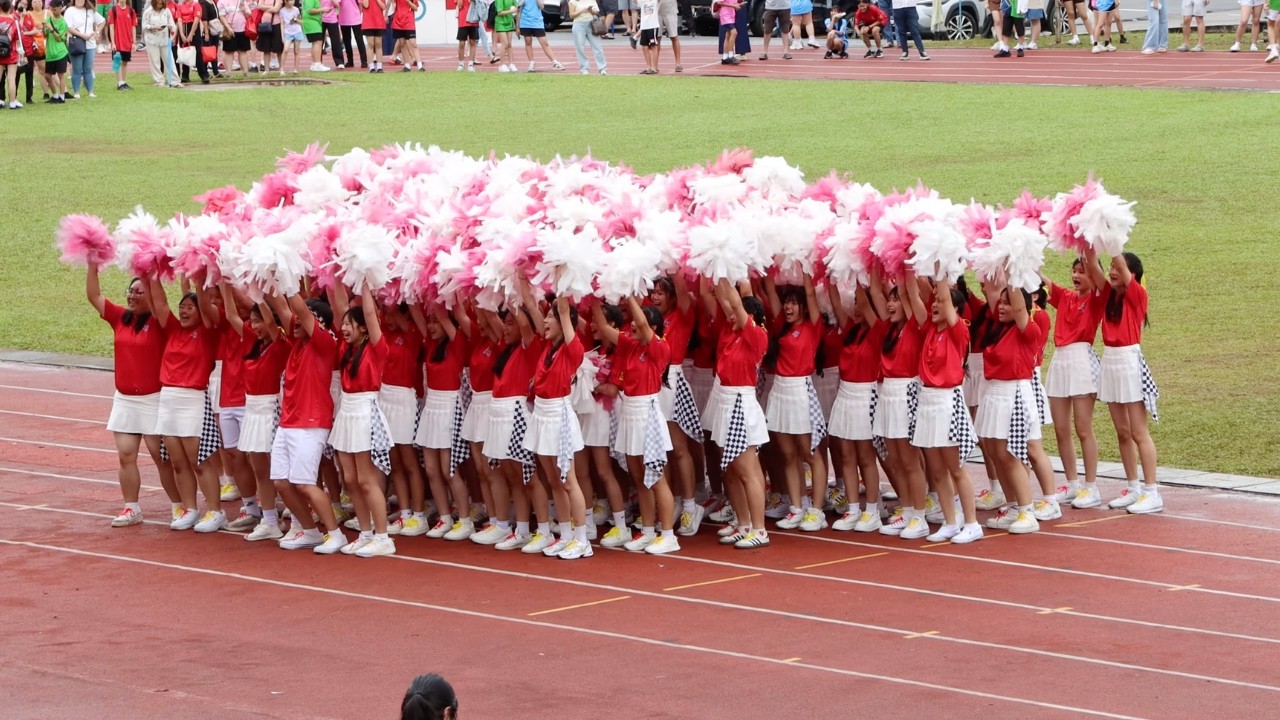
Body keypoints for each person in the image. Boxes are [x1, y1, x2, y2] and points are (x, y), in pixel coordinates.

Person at [85, 268, 181, 528]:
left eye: (140, 291)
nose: (132, 296)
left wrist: (152, 276)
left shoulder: (161, 322)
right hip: (125, 400)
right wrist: (92, 264)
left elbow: (162, 303)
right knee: (125, 455)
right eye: (131, 290)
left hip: (153, 399)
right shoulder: (119, 317)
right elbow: (93, 295)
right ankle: (132, 507)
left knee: (161, 458)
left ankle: (178, 506)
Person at [905, 275, 982, 544]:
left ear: (955, 309)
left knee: (955, 467)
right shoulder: (929, 329)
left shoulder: (958, 330)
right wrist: (905, 269)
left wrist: (939, 267)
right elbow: (913, 297)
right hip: (927, 402)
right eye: (934, 302)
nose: (934, 304)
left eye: (940, 301)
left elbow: (945, 297)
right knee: (936, 470)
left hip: (947, 402)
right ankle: (950, 522)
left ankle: (971, 523)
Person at [271, 292, 346, 552]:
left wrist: (291, 285)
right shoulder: (297, 345)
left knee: (304, 483)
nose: (296, 323)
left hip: (311, 423)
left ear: (320, 324)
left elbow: (299, 311)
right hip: (288, 422)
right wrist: (271, 277)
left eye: (304, 320)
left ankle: (336, 534)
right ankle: (310, 531)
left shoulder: (324, 343)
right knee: (281, 481)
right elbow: (282, 307)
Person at [150, 279, 225, 533]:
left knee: (200, 461)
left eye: (189, 308)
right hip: (168, 399)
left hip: (193, 399)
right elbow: (159, 303)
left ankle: (215, 510)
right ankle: (190, 508)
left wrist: (200, 274)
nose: (183, 311)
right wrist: (151, 272)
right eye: (181, 307)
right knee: (177, 461)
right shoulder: (172, 329)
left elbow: (206, 304)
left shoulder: (208, 331)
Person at [521, 292, 590, 560]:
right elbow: (529, 305)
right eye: (547, 316)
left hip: (559, 416)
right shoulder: (547, 347)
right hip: (541, 413)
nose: (546, 321)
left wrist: (561, 270)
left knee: (568, 481)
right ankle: (566, 535)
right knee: (553, 480)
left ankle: (583, 539)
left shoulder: (572, 349)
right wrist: (521, 278)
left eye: (551, 316)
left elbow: (563, 309)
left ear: (565, 323)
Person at [327, 286, 395, 556]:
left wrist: (365, 279)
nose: (343, 328)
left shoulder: (377, 348)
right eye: (342, 324)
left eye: (349, 324)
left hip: (365, 412)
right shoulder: (346, 348)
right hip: (347, 412)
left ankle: (383, 536)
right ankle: (365, 532)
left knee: (367, 480)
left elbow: (368, 312)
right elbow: (338, 303)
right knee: (351, 479)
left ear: (364, 328)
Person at [1093, 251, 1161, 514]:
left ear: (1132, 276)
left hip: (1129, 362)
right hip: (1110, 361)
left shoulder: (1137, 295)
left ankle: (1152, 491)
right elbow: (1091, 264)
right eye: (1110, 267)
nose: (1112, 271)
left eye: (1116, 268)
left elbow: (1120, 261)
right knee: (1122, 431)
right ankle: (1133, 487)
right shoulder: (1110, 295)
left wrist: (1112, 241)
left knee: (1138, 432)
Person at [762, 277, 828, 533]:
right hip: (780, 390)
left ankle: (816, 510)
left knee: (809, 452)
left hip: (801, 390)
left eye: (794, 303)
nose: (788, 308)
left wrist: (805, 265)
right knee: (787, 454)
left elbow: (811, 295)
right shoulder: (781, 326)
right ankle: (797, 507)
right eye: (786, 302)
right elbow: (769, 287)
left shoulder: (813, 326)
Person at [975, 282, 1041, 535]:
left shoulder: (1028, 330)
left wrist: (1013, 267)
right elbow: (990, 292)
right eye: (1000, 302)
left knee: (1011, 454)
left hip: (1013, 393)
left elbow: (1017, 303)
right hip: (993, 393)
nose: (1001, 306)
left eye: (1007, 303)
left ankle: (1027, 510)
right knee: (995, 452)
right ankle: (1013, 506)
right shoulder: (997, 328)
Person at [709, 280, 770, 549]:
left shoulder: (756, 335)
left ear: (750, 317)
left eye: (736, 313)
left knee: (748, 471)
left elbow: (734, 302)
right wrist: (717, 270)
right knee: (731, 471)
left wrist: (729, 263)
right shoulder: (731, 332)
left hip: (741, 405)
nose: (729, 315)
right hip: (725, 402)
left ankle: (759, 529)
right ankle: (743, 523)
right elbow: (726, 300)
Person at [414, 305, 478, 541]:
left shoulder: (458, 343)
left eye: (436, 321)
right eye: (429, 321)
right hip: (432, 407)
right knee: (431, 469)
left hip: (450, 407)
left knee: (449, 470)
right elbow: (417, 317)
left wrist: (442, 293)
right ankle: (444, 517)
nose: (431, 326)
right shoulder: (431, 344)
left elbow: (446, 316)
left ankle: (464, 520)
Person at [64, 0, 101, 97]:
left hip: (90, 43)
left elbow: (102, 21)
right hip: (76, 42)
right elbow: (68, 27)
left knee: (88, 68)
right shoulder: (70, 11)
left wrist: (96, 32)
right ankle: (76, 92)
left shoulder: (90, 11)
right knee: (77, 69)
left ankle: (91, 91)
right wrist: (82, 35)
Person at [517, 0, 564, 71]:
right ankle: (531, 63)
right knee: (528, 42)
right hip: (525, 22)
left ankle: (554, 62)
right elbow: (518, 9)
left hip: (537, 22)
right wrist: (517, 26)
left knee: (545, 43)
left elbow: (542, 6)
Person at [141, 0, 176, 85]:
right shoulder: (148, 12)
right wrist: (153, 27)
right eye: (158, 2)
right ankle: (159, 80)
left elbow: (173, 26)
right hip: (152, 39)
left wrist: (169, 26)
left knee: (169, 60)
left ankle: (174, 80)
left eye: (161, 2)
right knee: (155, 61)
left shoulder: (166, 11)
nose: (160, 4)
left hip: (164, 39)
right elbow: (144, 26)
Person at [567, 0, 605, 74]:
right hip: (579, 24)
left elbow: (596, 12)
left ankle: (602, 68)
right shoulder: (573, 1)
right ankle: (584, 68)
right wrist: (582, 11)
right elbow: (571, 15)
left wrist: (590, 11)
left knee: (597, 46)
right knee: (580, 47)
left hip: (591, 24)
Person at [41, 0, 67, 101]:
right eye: (51, 9)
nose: (53, 11)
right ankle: (55, 95)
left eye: (55, 9)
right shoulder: (48, 19)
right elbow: (45, 35)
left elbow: (59, 38)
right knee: (47, 75)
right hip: (50, 53)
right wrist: (44, 29)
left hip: (60, 52)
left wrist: (51, 29)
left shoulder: (63, 22)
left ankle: (62, 96)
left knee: (61, 75)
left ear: (60, 8)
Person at [0, 0, 23, 107]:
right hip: (11, 53)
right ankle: (13, 102)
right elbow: (19, 38)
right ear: (10, 8)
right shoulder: (15, 22)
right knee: (11, 78)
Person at [105, 0, 133, 87]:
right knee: (117, 61)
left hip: (126, 41)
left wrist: (133, 41)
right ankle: (119, 82)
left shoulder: (131, 10)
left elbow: (133, 26)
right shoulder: (113, 10)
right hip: (117, 42)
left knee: (125, 62)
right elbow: (111, 27)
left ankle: (124, 82)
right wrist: (113, 42)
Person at [217, 0, 249, 74]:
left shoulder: (242, 1)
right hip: (229, 30)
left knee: (243, 51)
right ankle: (228, 72)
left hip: (242, 29)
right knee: (229, 51)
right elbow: (221, 16)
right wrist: (228, 28)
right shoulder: (222, 2)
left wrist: (244, 9)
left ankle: (245, 71)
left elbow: (248, 15)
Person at [253, 0, 283, 73]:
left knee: (279, 48)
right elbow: (259, 6)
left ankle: (281, 69)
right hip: (264, 24)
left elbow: (276, 9)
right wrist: (271, 8)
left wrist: (265, 8)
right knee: (266, 49)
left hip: (276, 24)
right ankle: (266, 70)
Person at [389, 0, 418, 70]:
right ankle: (413, 58)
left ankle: (394, 56)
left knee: (403, 40)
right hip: (398, 15)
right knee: (405, 40)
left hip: (400, 15)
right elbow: (391, 2)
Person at [358, 0, 382, 70]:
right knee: (370, 44)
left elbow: (383, 7)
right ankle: (371, 66)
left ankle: (379, 66)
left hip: (378, 22)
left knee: (378, 44)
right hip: (368, 23)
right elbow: (366, 5)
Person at [338, 0, 363, 66]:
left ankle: (361, 61)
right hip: (346, 18)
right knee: (349, 42)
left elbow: (360, 4)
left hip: (348, 18)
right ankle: (354, 61)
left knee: (357, 41)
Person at [319, 0, 343, 68]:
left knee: (335, 41)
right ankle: (318, 61)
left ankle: (339, 61)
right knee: (319, 41)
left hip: (332, 19)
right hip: (320, 19)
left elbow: (338, 5)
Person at [636, 0, 658, 73]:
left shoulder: (654, 1)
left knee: (653, 45)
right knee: (644, 46)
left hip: (652, 25)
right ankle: (648, 67)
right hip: (644, 26)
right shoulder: (642, 1)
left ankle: (654, 67)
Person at [280, 0, 301, 70]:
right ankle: (282, 68)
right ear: (285, 1)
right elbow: (282, 24)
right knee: (285, 49)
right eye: (291, 0)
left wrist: (295, 19)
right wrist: (282, 36)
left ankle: (296, 69)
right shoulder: (282, 11)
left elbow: (299, 21)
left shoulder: (296, 9)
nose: (293, 2)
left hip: (297, 31)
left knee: (296, 51)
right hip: (288, 32)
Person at [455, 0, 476, 69]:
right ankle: (461, 64)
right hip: (463, 20)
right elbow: (459, 6)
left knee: (472, 41)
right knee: (462, 43)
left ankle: (470, 64)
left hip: (473, 19)